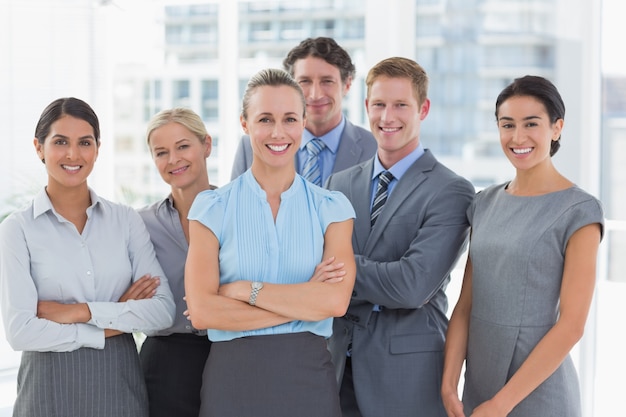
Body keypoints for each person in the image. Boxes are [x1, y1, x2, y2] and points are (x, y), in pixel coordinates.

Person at [184, 68, 356, 417]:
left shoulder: (332, 208)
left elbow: (335, 302)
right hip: (233, 380)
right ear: (244, 123)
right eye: (265, 119)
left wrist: (245, 290)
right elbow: (203, 312)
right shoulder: (211, 207)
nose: (278, 133)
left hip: (308, 378)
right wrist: (304, 302)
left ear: (304, 122)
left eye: (290, 118)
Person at [0, 97, 175, 417]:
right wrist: (115, 319)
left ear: (97, 148)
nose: (73, 154)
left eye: (84, 142)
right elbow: (21, 331)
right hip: (46, 390)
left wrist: (77, 311)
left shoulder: (125, 220)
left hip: (118, 386)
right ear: (39, 148)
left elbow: (162, 311)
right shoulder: (18, 229)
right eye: (60, 142)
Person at [440, 75, 604, 417]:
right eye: (507, 124)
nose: (518, 137)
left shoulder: (579, 211)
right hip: (479, 388)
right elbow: (466, 305)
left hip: (538, 391)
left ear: (556, 128)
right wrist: (449, 381)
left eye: (531, 124)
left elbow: (572, 325)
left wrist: (502, 404)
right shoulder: (483, 203)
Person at [326, 57, 475, 417]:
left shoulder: (451, 191)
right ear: (366, 107)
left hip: (406, 378)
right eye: (379, 104)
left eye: (400, 105)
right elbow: (314, 274)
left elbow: (412, 287)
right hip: (335, 369)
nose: (387, 116)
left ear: (423, 109)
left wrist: (339, 267)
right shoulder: (338, 184)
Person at [138, 108, 215, 417]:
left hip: (228, 352)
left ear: (206, 145)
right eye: (161, 152)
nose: (173, 159)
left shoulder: (240, 213)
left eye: (183, 146)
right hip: (165, 362)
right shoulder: (140, 224)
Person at [230, 36, 376, 184]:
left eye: (327, 81)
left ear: (347, 85)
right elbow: (235, 205)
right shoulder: (251, 146)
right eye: (304, 81)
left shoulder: (374, 148)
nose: (315, 95)